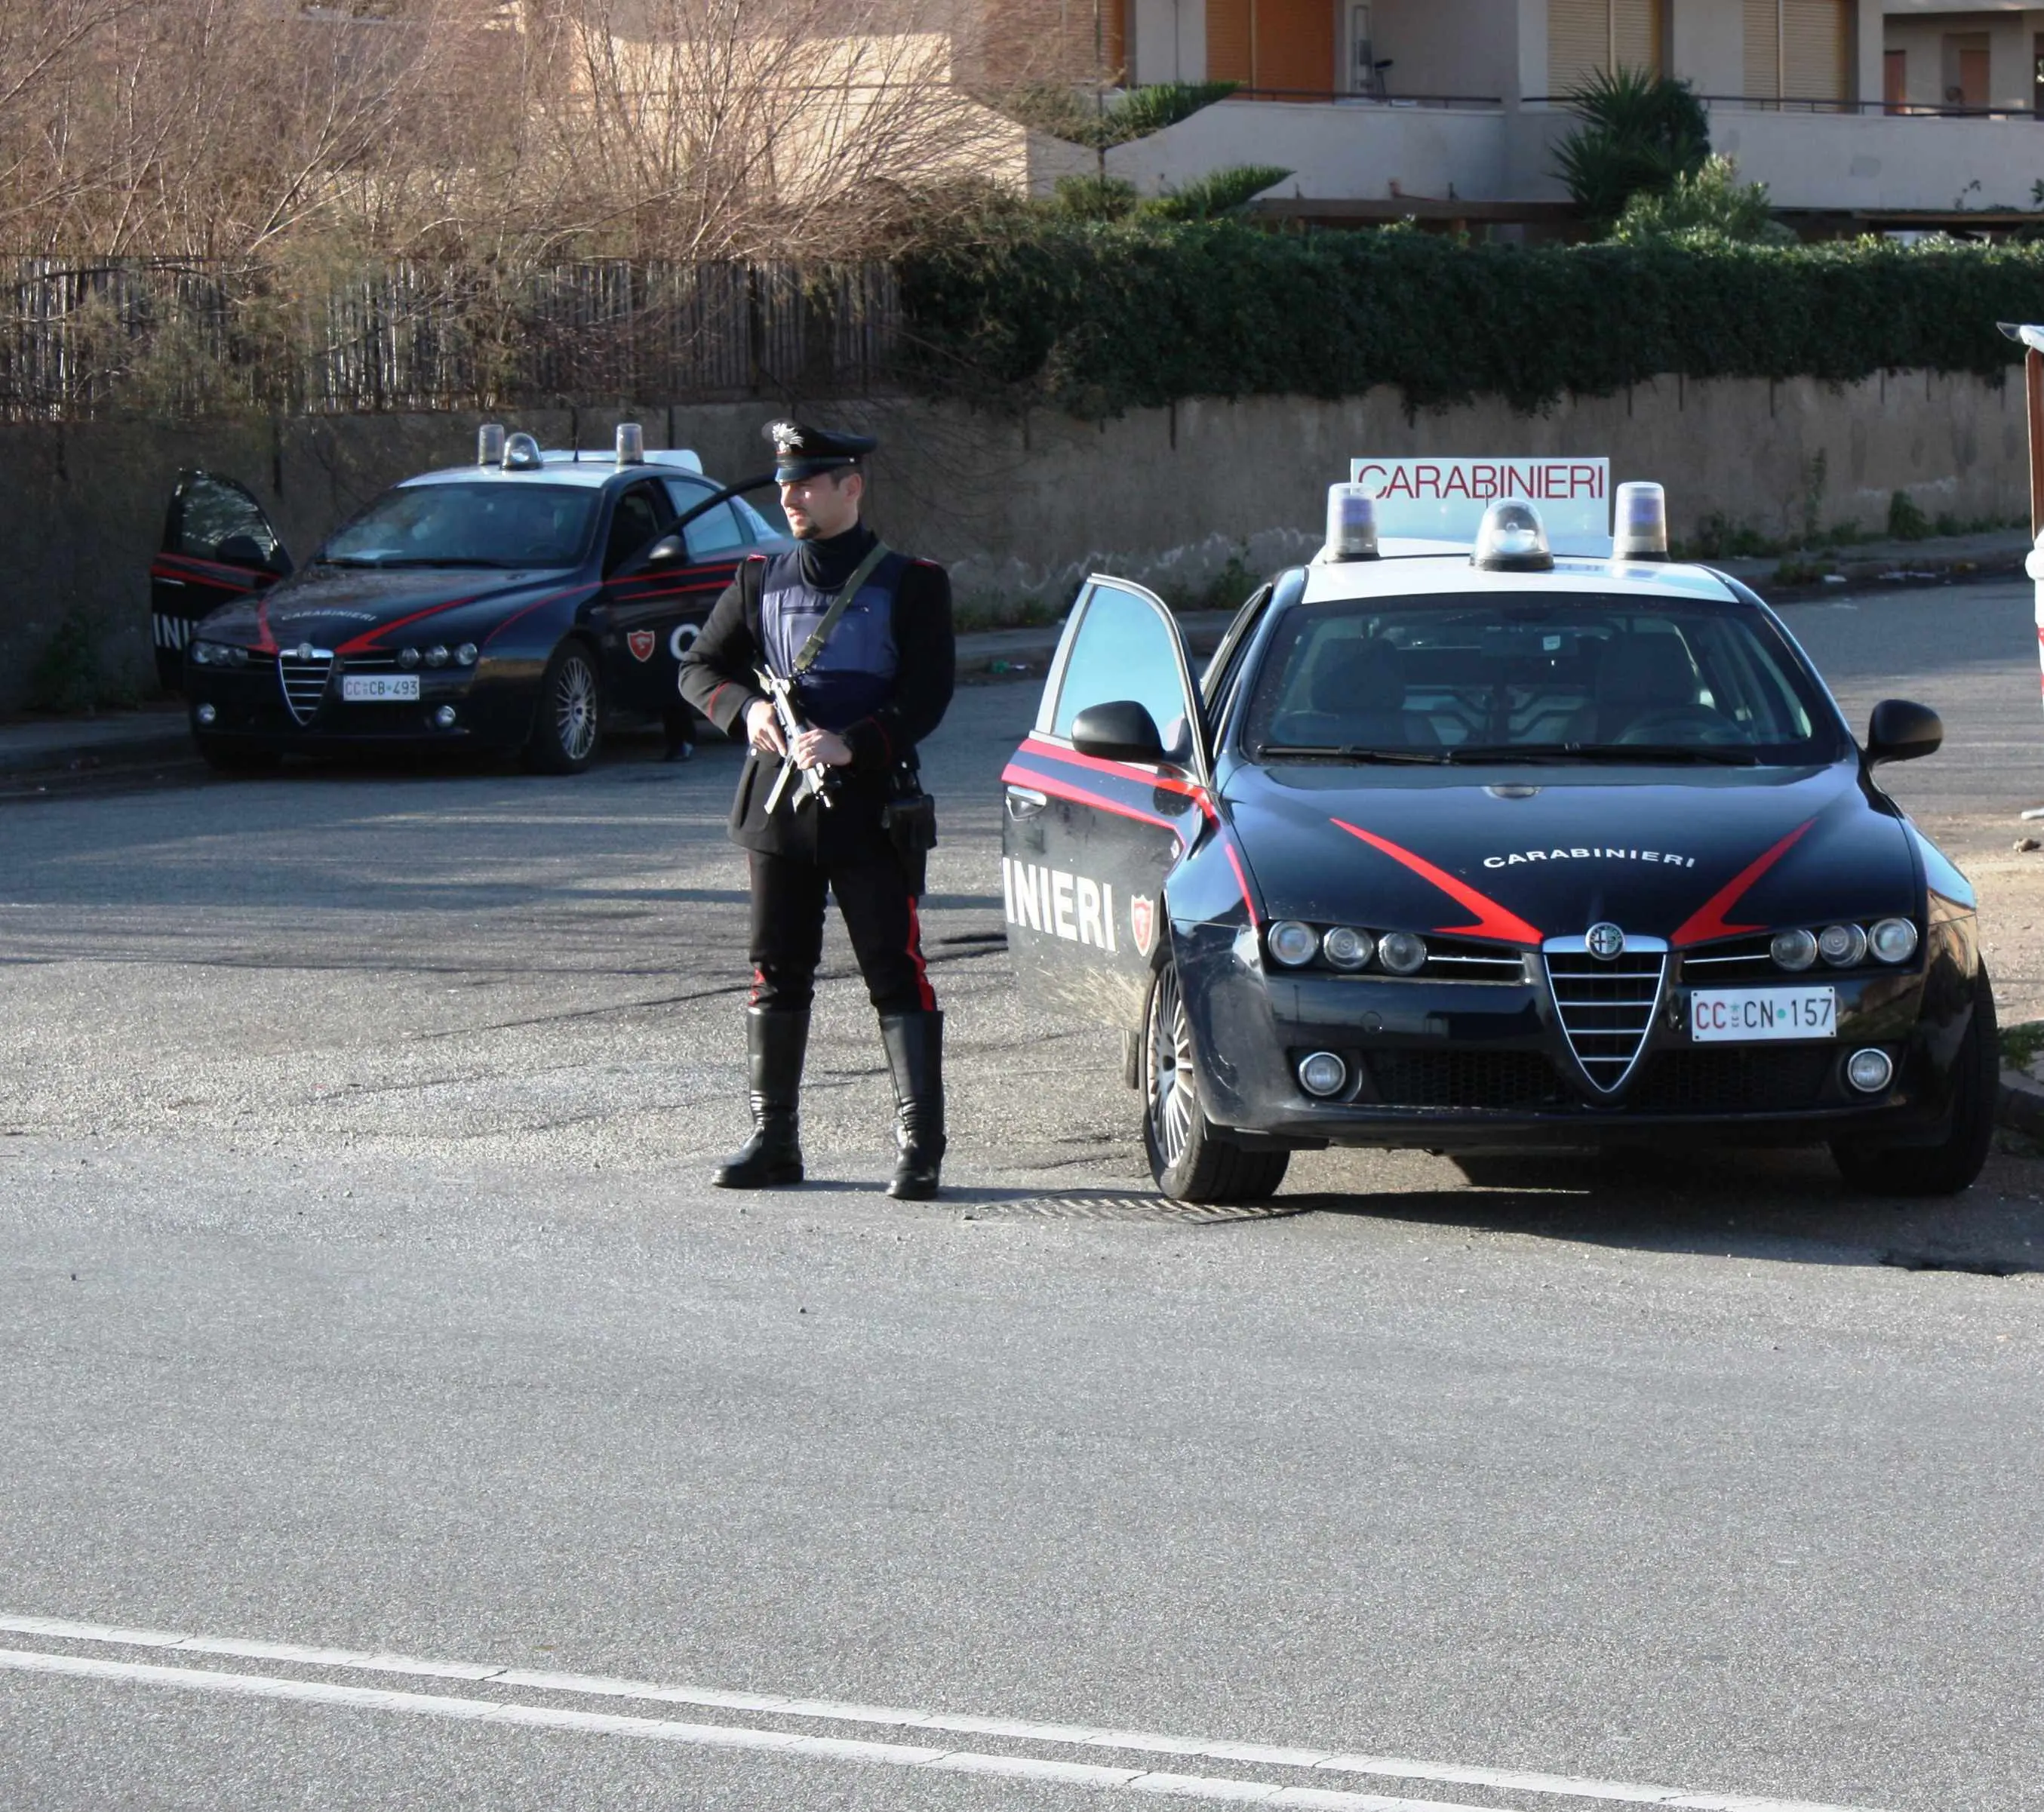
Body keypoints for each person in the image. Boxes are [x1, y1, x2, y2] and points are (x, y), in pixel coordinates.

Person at [678, 420, 955, 1198]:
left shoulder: (913, 581)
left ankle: (919, 1145)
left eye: (806, 481)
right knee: (777, 971)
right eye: (784, 482)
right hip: (778, 807)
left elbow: (928, 696)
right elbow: (699, 667)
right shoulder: (760, 576)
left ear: (851, 487)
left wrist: (858, 743)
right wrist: (745, 712)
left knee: (895, 972)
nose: (789, 495)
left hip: (869, 807)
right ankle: (775, 1141)